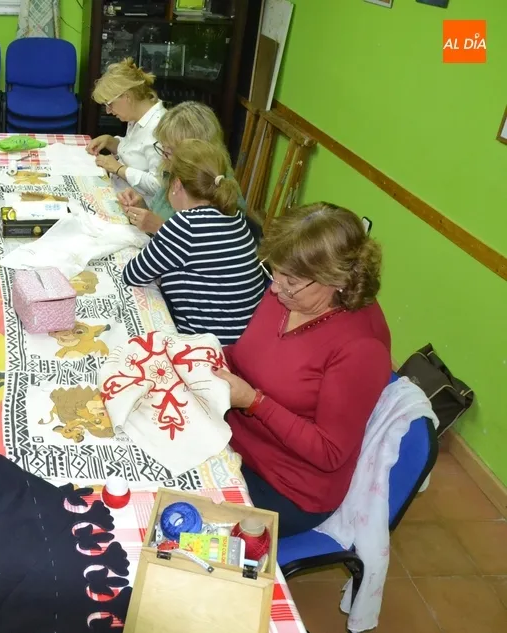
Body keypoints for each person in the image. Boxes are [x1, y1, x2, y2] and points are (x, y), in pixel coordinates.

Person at [213, 203, 391, 537]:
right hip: (235, 440)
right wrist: (209, 356)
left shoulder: (361, 349)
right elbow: (252, 355)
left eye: (290, 280)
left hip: (286, 486)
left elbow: (329, 452)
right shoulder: (289, 294)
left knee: (183, 525)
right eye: (275, 273)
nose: (275, 288)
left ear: (337, 279)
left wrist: (255, 402)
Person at [122, 139, 264, 344]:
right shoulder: (236, 217)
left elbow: (132, 274)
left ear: (176, 184)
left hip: (208, 346)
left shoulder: (185, 224)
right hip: (242, 340)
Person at [117, 101, 242, 235]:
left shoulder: (217, 186)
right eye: (163, 148)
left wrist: (160, 227)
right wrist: (141, 209)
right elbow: (159, 216)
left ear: (198, 150)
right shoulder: (172, 170)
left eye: (170, 152)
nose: (163, 157)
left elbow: (208, 244)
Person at [87, 58, 166, 203]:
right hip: (119, 191)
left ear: (127, 97)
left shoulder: (159, 130)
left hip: (139, 205)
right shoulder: (136, 117)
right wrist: (111, 142)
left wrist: (119, 169)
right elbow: (135, 152)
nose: (108, 111)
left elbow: (160, 186)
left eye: (109, 104)